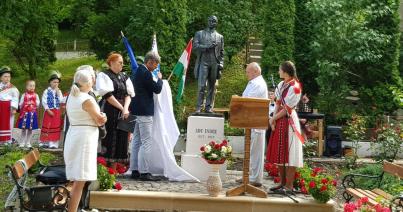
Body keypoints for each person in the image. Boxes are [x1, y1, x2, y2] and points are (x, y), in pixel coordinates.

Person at [64, 69, 107, 212]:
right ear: (88, 83)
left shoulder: (72, 96)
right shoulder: (86, 99)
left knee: (78, 179)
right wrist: (104, 116)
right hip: (84, 139)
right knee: (80, 180)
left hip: (75, 135)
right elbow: (99, 120)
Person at [265, 61, 304, 192]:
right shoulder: (281, 84)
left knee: (291, 153)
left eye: (280, 70)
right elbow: (277, 103)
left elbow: (288, 109)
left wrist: (273, 119)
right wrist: (273, 119)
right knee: (279, 152)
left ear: (286, 71)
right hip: (279, 121)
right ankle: (282, 183)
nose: (278, 72)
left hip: (288, 122)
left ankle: (289, 185)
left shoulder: (296, 87)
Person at [96, 53, 134, 169]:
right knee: (109, 137)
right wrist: (122, 108)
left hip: (123, 111)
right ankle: (104, 168)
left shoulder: (124, 76)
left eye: (122, 62)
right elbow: (107, 95)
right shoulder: (104, 75)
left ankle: (114, 169)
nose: (122, 65)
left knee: (121, 138)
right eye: (120, 62)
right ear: (111, 63)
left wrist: (126, 109)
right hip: (109, 109)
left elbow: (128, 94)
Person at [130, 51, 163, 181]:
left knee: (136, 141)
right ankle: (144, 171)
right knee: (146, 142)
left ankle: (134, 170)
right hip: (144, 111)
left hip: (137, 110)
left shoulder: (138, 71)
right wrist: (159, 79)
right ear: (150, 61)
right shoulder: (145, 73)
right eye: (156, 65)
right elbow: (157, 89)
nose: (156, 68)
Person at [237, 62, 268, 187]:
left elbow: (249, 100)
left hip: (256, 123)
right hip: (250, 122)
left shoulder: (258, 83)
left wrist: (238, 99)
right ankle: (248, 176)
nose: (246, 74)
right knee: (250, 151)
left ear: (255, 71)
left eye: (248, 72)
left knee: (256, 153)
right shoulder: (253, 83)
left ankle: (255, 178)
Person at [193, 15, 224, 113]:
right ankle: (198, 107)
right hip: (203, 62)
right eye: (210, 20)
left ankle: (208, 107)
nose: (212, 22)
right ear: (208, 21)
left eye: (214, 21)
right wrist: (207, 46)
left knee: (212, 86)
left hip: (214, 63)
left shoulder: (220, 37)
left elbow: (222, 52)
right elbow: (195, 47)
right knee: (202, 86)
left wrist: (221, 63)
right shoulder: (200, 34)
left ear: (216, 23)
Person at [40, 72, 65, 148]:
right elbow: (44, 101)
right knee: (47, 126)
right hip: (49, 111)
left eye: (57, 82)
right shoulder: (47, 91)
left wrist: (58, 93)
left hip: (56, 112)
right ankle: (45, 142)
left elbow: (61, 101)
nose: (56, 84)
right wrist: (48, 110)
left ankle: (54, 144)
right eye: (54, 82)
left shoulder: (59, 91)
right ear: (50, 82)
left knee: (55, 126)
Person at [16, 80, 40, 148]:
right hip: (25, 114)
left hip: (32, 114)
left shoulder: (36, 95)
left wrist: (33, 103)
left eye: (33, 86)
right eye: (30, 85)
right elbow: (20, 104)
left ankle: (28, 142)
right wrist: (24, 105)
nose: (32, 87)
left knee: (30, 129)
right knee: (24, 128)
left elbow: (38, 104)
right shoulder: (24, 95)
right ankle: (22, 142)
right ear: (27, 87)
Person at [0, 66, 19, 144]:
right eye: (5, 76)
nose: (7, 78)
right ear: (1, 78)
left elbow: (15, 98)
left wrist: (14, 108)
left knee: (9, 123)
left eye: (9, 76)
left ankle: (7, 140)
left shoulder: (13, 88)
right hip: (0, 106)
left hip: (9, 107)